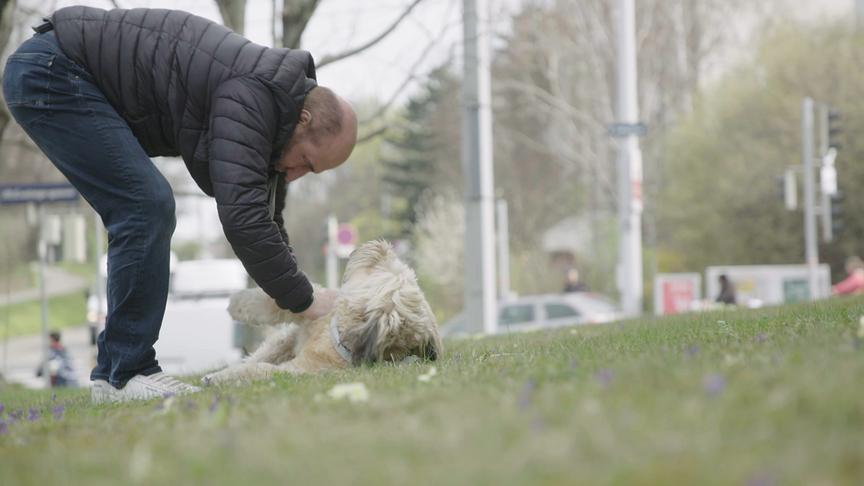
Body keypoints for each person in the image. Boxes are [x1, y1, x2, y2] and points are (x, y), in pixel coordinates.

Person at [3, 6, 358, 403]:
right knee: (145, 205)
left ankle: (115, 375)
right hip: (55, 70)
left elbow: (266, 219)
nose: (297, 175)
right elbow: (242, 218)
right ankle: (126, 372)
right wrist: (305, 300)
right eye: (307, 163)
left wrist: (292, 291)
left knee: (143, 205)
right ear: (304, 118)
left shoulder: (275, 110)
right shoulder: (252, 96)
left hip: (60, 68)